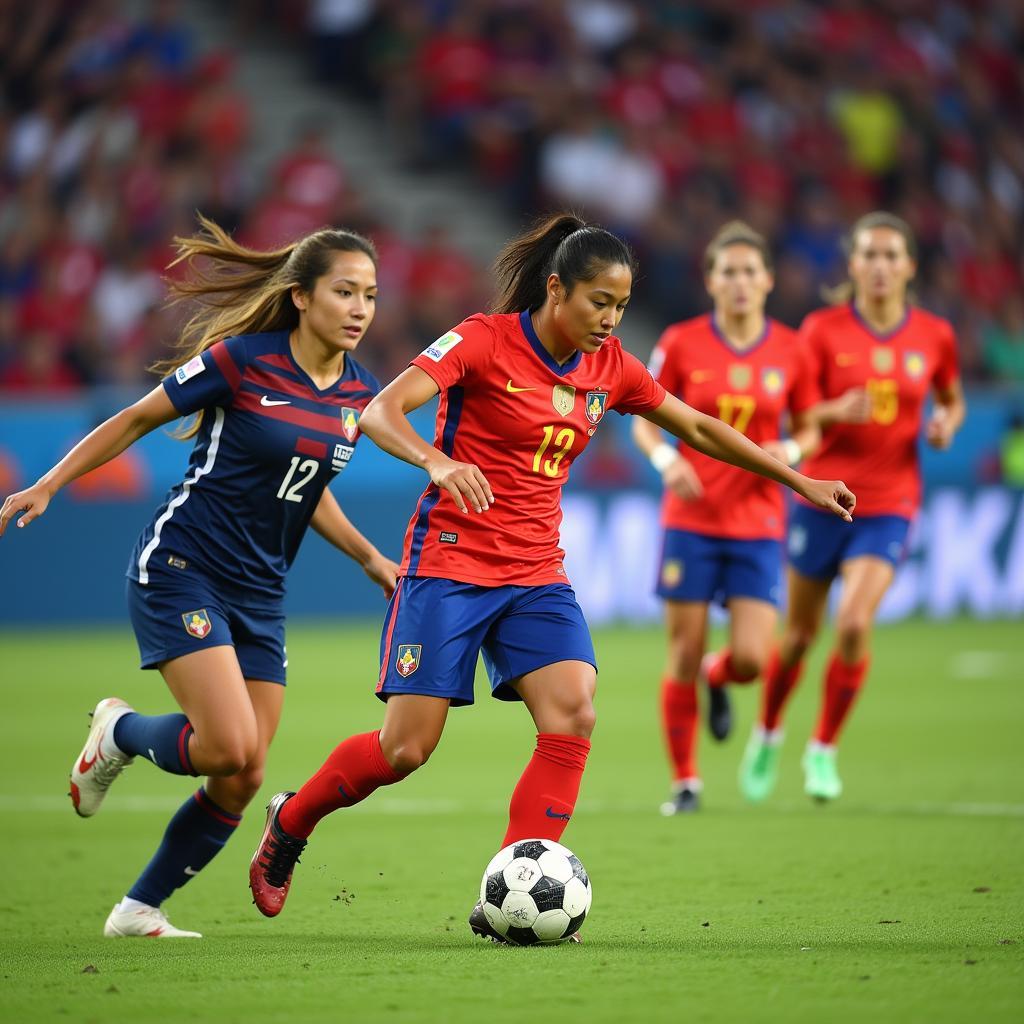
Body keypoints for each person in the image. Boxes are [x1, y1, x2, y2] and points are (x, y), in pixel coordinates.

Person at [245, 212, 855, 943]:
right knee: (405, 749)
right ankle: (290, 822)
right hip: (450, 562)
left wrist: (798, 480)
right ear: (558, 288)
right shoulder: (483, 340)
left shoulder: (613, 367)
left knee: (574, 711)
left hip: (535, 571)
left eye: (622, 306)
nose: (611, 319)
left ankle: (509, 884)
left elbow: (695, 427)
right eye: (600, 301)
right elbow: (381, 412)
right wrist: (437, 462)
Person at [0, 216, 398, 938]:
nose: (361, 309)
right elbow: (135, 419)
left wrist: (371, 558)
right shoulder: (243, 361)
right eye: (345, 291)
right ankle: (118, 732)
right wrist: (50, 482)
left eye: (370, 295)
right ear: (303, 297)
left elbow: (306, 484)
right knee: (223, 744)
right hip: (182, 569)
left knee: (243, 772)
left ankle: (137, 909)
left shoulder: (357, 393)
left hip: (261, 594)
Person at [738, 211, 965, 803]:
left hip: (890, 502)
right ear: (853, 264)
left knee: (855, 623)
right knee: (797, 638)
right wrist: (833, 413)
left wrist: (945, 426)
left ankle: (823, 750)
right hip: (821, 496)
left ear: (910, 266)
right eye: (870, 255)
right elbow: (801, 416)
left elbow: (951, 399)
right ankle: (766, 733)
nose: (881, 266)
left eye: (892, 256)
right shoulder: (820, 331)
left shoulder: (934, 335)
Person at [632, 221, 820, 814]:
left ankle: (720, 679)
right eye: (727, 271)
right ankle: (686, 782)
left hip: (759, 521)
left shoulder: (792, 349)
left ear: (767, 279)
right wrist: (666, 459)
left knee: (750, 659)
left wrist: (785, 454)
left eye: (749, 271)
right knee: (682, 651)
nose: (739, 282)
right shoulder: (683, 342)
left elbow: (811, 426)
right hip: (690, 518)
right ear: (710, 280)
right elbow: (643, 415)